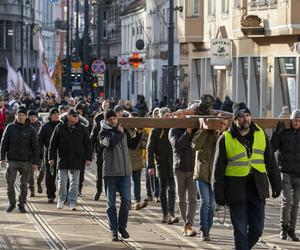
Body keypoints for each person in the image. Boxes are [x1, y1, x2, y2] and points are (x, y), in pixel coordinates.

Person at [213, 102, 282, 250]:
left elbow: (271, 161)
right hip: (236, 190)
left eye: (247, 115)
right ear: (235, 119)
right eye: (241, 116)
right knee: (240, 231)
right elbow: (218, 171)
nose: (246, 119)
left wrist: (276, 184)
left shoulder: (260, 134)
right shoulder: (225, 139)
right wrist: (219, 195)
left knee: (257, 230)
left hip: (257, 189)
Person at [99, 109, 143, 241]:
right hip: (111, 173)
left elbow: (133, 145)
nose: (113, 121)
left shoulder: (123, 132)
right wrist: (118, 132)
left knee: (127, 201)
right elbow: (109, 143)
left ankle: (122, 226)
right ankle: (113, 230)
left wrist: (139, 133)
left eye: (114, 118)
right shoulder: (103, 133)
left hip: (125, 172)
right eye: (110, 119)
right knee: (111, 204)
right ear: (106, 121)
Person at [192, 117, 228, 241]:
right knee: (205, 201)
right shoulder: (202, 133)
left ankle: (208, 229)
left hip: (214, 176)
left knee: (212, 205)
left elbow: (223, 152)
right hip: (202, 174)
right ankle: (203, 229)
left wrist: (218, 136)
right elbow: (194, 145)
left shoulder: (222, 137)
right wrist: (204, 131)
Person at [49, 109, 92, 210]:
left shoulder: (82, 128)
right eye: (74, 116)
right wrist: (51, 157)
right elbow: (53, 144)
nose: (76, 118)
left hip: (77, 158)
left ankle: (72, 201)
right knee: (62, 182)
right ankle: (61, 198)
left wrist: (88, 158)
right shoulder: (60, 127)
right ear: (68, 117)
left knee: (74, 182)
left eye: (77, 116)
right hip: (63, 158)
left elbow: (88, 144)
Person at [0, 107, 39, 213]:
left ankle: (22, 204)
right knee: (10, 183)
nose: (21, 117)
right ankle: (12, 203)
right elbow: (3, 144)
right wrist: (2, 158)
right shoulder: (10, 128)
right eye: (19, 115)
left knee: (24, 184)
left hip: (26, 161)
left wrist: (35, 163)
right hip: (12, 160)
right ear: (16, 116)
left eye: (23, 115)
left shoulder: (31, 129)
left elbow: (35, 147)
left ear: (26, 117)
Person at [271, 109, 300, 241]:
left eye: (299, 121)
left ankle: (291, 230)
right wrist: (277, 133)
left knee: (296, 203)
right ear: (291, 119)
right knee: (287, 201)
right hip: (285, 171)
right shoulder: (284, 132)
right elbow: (272, 147)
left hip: (298, 173)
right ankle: (284, 228)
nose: (297, 123)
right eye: (295, 120)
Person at [147, 107, 179, 224]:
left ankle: (171, 213)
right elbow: (150, 149)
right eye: (165, 115)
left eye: (169, 115)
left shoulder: (174, 129)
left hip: (173, 163)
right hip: (161, 164)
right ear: (160, 116)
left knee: (172, 189)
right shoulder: (155, 131)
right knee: (163, 189)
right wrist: (150, 166)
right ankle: (165, 214)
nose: (167, 117)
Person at [169, 122, 198, 236]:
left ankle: (189, 224)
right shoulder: (173, 130)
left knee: (193, 198)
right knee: (181, 199)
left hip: (193, 169)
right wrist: (187, 132)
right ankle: (186, 222)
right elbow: (177, 145)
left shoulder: (195, 130)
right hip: (179, 168)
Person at [38, 108, 61, 203]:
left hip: (61, 154)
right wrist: (39, 152)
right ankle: (50, 195)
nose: (56, 116)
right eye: (54, 114)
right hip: (49, 153)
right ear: (50, 116)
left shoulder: (62, 125)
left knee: (62, 175)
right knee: (50, 175)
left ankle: (64, 195)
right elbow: (39, 140)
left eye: (57, 114)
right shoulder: (45, 126)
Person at [127, 112, 148, 210]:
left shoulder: (142, 131)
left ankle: (137, 199)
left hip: (138, 159)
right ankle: (128, 200)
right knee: (127, 181)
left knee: (137, 181)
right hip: (127, 159)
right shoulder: (126, 130)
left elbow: (146, 144)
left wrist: (140, 143)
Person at [90, 100, 110, 201]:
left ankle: (108, 192)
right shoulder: (97, 121)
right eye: (104, 106)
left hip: (110, 151)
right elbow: (93, 137)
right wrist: (91, 151)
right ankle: (98, 190)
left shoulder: (113, 120)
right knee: (99, 172)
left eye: (107, 105)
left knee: (108, 172)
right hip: (100, 150)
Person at [27, 110, 43, 197]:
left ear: (37, 117)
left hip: (40, 152)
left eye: (34, 116)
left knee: (42, 171)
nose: (32, 118)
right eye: (30, 116)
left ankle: (39, 182)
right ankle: (31, 188)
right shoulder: (26, 126)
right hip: (29, 153)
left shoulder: (41, 126)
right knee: (30, 172)